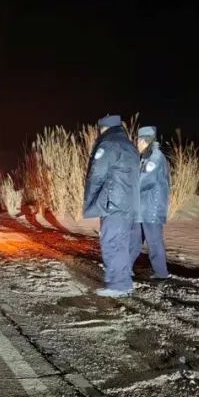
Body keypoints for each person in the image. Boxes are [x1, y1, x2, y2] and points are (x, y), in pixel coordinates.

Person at [82, 114, 140, 297]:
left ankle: (118, 285)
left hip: (113, 202)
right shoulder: (130, 146)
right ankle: (123, 281)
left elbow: (97, 175)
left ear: (103, 128)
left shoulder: (108, 145)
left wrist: (91, 201)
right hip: (130, 203)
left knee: (112, 241)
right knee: (122, 242)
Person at [130, 125, 171, 280]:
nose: (137, 144)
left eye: (139, 141)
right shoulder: (146, 157)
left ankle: (161, 273)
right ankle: (124, 268)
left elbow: (144, 181)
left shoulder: (155, 158)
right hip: (142, 208)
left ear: (146, 141)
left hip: (151, 209)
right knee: (134, 240)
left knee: (154, 242)